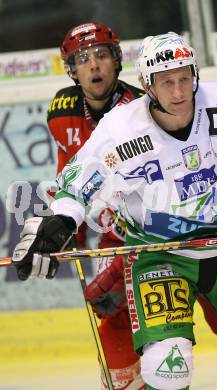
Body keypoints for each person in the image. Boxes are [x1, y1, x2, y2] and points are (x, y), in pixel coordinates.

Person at [12, 32, 217, 390]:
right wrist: (57, 222)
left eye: (185, 77)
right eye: (166, 82)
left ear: (196, 73)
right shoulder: (122, 129)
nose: (179, 91)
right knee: (166, 366)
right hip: (159, 255)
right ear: (147, 85)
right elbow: (76, 186)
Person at [47, 22, 145, 390]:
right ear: (72, 70)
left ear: (117, 61)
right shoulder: (62, 110)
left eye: (101, 55)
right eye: (83, 59)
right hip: (114, 236)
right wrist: (67, 229)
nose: (94, 66)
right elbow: (68, 177)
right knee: (116, 319)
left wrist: (123, 264)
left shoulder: (142, 110)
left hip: (163, 233)